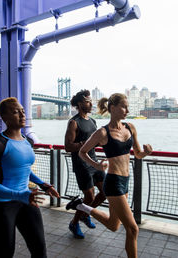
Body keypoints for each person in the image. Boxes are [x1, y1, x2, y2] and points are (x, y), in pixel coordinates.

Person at [66, 93, 152, 258]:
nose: (127, 110)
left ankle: (81, 206)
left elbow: (138, 154)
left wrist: (145, 153)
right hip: (112, 183)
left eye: (128, 107)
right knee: (133, 229)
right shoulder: (103, 133)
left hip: (125, 181)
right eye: (124, 106)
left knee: (113, 225)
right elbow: (83, 152)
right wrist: (96, 165)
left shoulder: (130, 127)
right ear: (112, 108)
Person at [0, 97, 60, 258]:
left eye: (23, 111)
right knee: (3, 252)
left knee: (40, 250)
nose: (22, 115)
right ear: (4, 118)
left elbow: (24, 169)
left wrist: (43, 185)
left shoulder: (28, 141)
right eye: (15, 112)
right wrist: (21, 195)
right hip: (1, 203)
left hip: (25, 199)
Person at [64, 90, 106, 239]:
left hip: (94, 161)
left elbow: (97, 142)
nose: (91, 104)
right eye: (88, 102)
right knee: (89, 196)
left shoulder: (92, 121)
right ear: (80, 104)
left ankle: (85, 213)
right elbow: (68, 146)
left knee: (105, 192)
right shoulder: (74, 122)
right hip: (81, 164)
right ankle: (74, 223)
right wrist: (85, 144)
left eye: (91, 101)